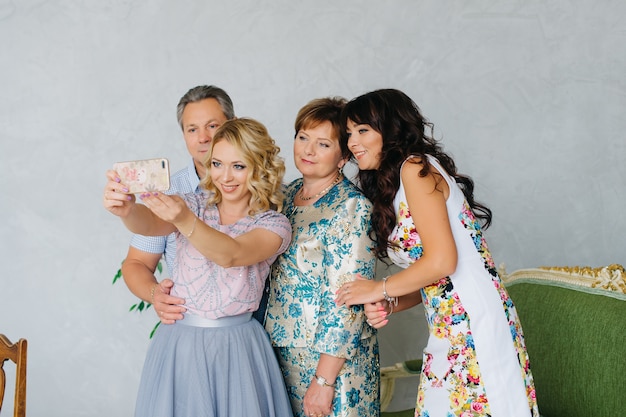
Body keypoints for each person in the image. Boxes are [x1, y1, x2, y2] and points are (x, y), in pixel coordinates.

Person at [335, 89, 539, 417]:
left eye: (362, 130)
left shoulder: (415, 168)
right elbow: (435, 279)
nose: (353, 142)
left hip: (476, 320)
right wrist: (390, 302)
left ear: (391, 129)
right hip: (449, 324)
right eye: (348, 134)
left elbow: (444, 261)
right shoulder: (398, 183)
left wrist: (379, 288)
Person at [103, 118, 294, 417]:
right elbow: (150, 224)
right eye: (217, 164)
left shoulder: (273, 224)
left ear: (260, 167)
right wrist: (128, 211)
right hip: (180, 344)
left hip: (239, 348)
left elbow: (231, 254)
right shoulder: (193, 204)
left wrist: (183, 220)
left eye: (239, 166)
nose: (225, 176)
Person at [264, 97, 380, 417]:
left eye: (323, 143)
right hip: (281, 352)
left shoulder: (352, 207)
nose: (308, 150)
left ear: (343, 155)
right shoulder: (285, 196)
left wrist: (324, 380)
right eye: (303, 137)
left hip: (331, 364)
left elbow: (349, 301)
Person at [120, 85, 235, 324]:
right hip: (189, 326)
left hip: (252, 328)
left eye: (212, 126)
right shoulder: (170, 192)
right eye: (192, 129)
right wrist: (156, 294)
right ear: (184, 135)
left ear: (234, 126)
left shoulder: (265, 190)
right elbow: (136, 263)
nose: (203, 137)